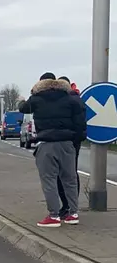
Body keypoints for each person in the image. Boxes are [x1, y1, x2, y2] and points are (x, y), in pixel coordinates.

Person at [18, 72, 86, 228]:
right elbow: (80, 121)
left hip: (47, 143)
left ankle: (54, 216)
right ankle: (73, 214)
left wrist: (22, 100)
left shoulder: (37, 98)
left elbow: (23, 108)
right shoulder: (69, 98)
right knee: (70, 179)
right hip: (68, 143)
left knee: (49, 180)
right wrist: (76, 138)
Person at [56, 76, 87, 218]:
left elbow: (79, 124)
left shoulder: (73, 100)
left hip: (71, 142)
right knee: (64, 174)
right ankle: (67, 205)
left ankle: (70, 206)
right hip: (68, 141)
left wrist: (73, 140)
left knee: (68, 174)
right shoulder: (71, 99)